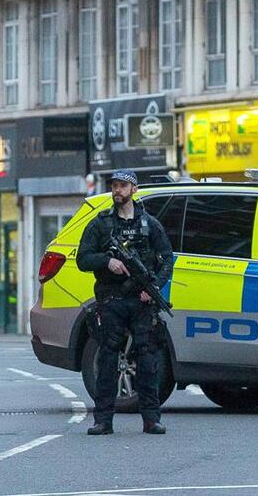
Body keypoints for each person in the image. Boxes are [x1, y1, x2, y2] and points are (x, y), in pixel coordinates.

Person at [76, 169, 173, 436]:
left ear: (134, 189)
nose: (117, 190)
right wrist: (108, 261)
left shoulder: (150, 224)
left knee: (147, 360)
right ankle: (103, 420)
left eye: (122, 186)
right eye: (114, 186)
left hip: (141, 302)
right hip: (112, 300)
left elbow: (167, 258)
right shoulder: (101, 224)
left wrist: (152, 288)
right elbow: (83, 259)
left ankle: (151, 419)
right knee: (107, 358)